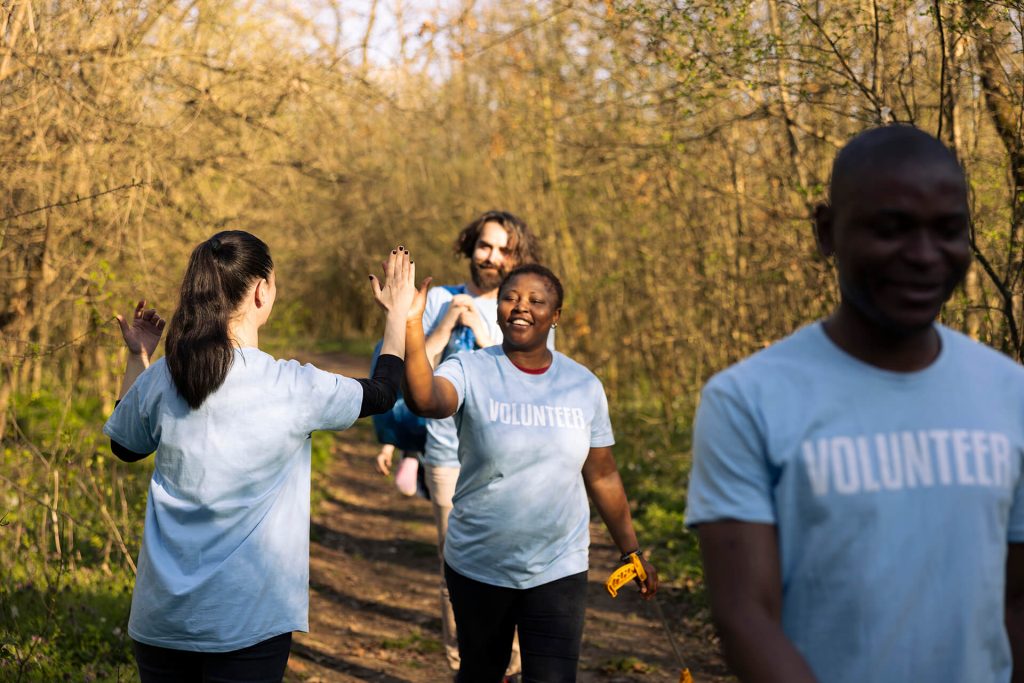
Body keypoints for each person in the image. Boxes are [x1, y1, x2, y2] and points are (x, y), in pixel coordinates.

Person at [686, 125, 1024, 682]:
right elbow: (745, 616)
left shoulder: (1010, 395)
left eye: (948, 230)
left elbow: (1018, 602)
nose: (923, 255)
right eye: (890, 229)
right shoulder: (747, 401)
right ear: (826, 232)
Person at [102, 231, 422, 682]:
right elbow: (385, 392)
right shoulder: (292, 387)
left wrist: (138, 358)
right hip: (246, 625)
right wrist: (396, 315)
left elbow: (124, 446)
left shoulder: (164, 377)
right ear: (261, 290)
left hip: (160, 625)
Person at [403, 263, 658, 682]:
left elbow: (603, 475)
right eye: (510, 298)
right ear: (498, 308)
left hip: (558, 565)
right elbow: (425, 400)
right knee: (481, 672)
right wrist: (412, 323)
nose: (521, 307)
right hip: (479, 563)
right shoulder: (470, 368)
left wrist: (631, 550)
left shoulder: (583, 385)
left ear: (555, 316)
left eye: (537, 301)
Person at [418, 210, 543, 676]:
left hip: (514, 458)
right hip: (448, 455)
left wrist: (488, 330)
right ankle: (464, 664)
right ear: (470, 247)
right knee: (456, 567)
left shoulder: (528, 304)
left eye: (503, 248)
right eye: (484, 246)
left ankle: (509, 666)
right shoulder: (438, 300)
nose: (491, 257)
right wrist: (446, 325)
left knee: (515, 563)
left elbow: (534, 375)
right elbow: (415, 372)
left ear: (518, 254)